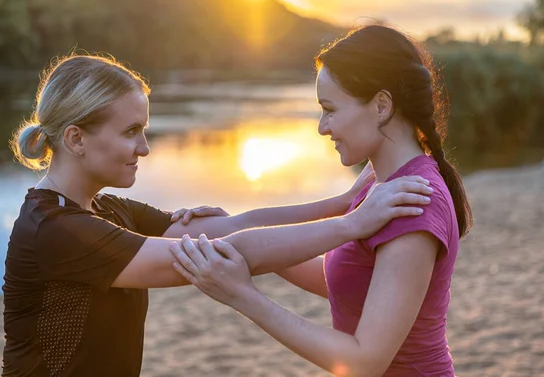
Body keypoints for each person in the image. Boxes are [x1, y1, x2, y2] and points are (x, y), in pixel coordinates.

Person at [2, 54, 433, 377]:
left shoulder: (107, 209)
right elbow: (224, 252)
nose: (145, 148)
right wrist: (352, 225)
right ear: (76, 138)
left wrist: (337, 204)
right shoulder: (54, 231)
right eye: (131, 131)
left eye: (145, 130)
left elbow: (236, 225)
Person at [170, 24, 473, 377]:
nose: (322, 127)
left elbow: (364, 361)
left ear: (381, 105)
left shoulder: (412, 202)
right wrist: (243, 231)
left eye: (329, 109)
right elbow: (347, 281)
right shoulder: (380, 184)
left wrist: (242, 295)